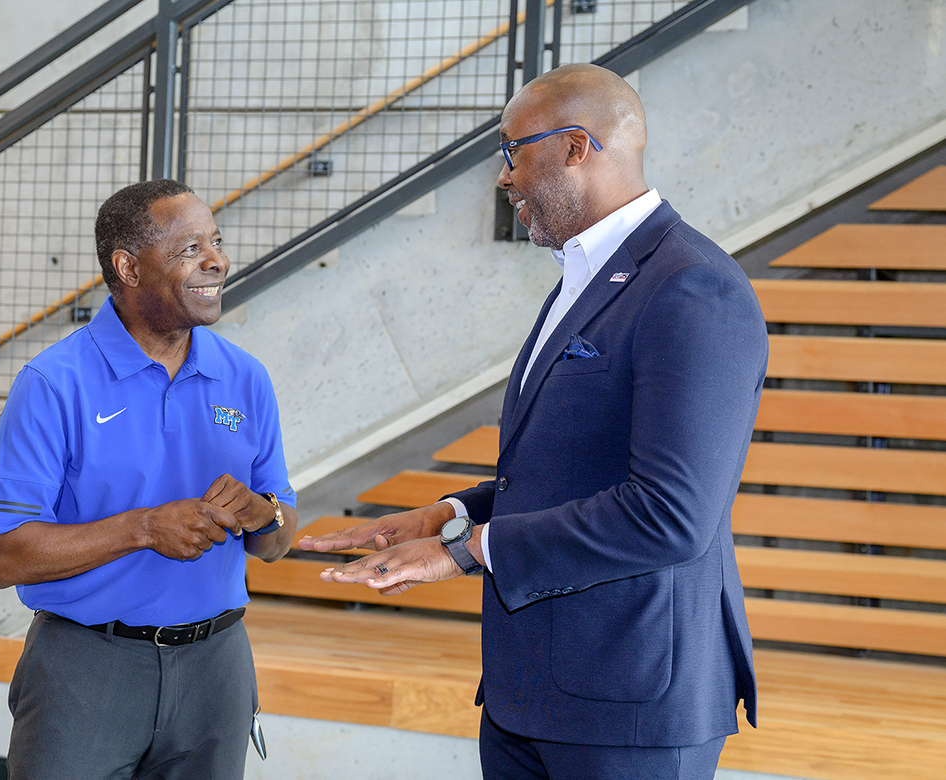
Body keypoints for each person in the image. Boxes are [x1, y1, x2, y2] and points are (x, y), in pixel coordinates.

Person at [300, 63, 765, 780]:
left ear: (577, 146)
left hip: (630, 702)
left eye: (513, 151)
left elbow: (671, 514)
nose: (504, 177)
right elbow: (576, 469)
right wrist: (448, 514)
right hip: (532, 697)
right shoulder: (584, 277)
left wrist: (465, 551)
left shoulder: (692, 287)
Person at [0, 179, 298, 780]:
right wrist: (145, 529)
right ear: (127, 267)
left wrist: (263, 514)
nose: (217, 261)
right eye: (190, 248)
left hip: (217, 670)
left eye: (218, 242)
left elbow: (279, 539)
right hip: (85, 668)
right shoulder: (52, 384)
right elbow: (1, 557)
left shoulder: (246, 379)